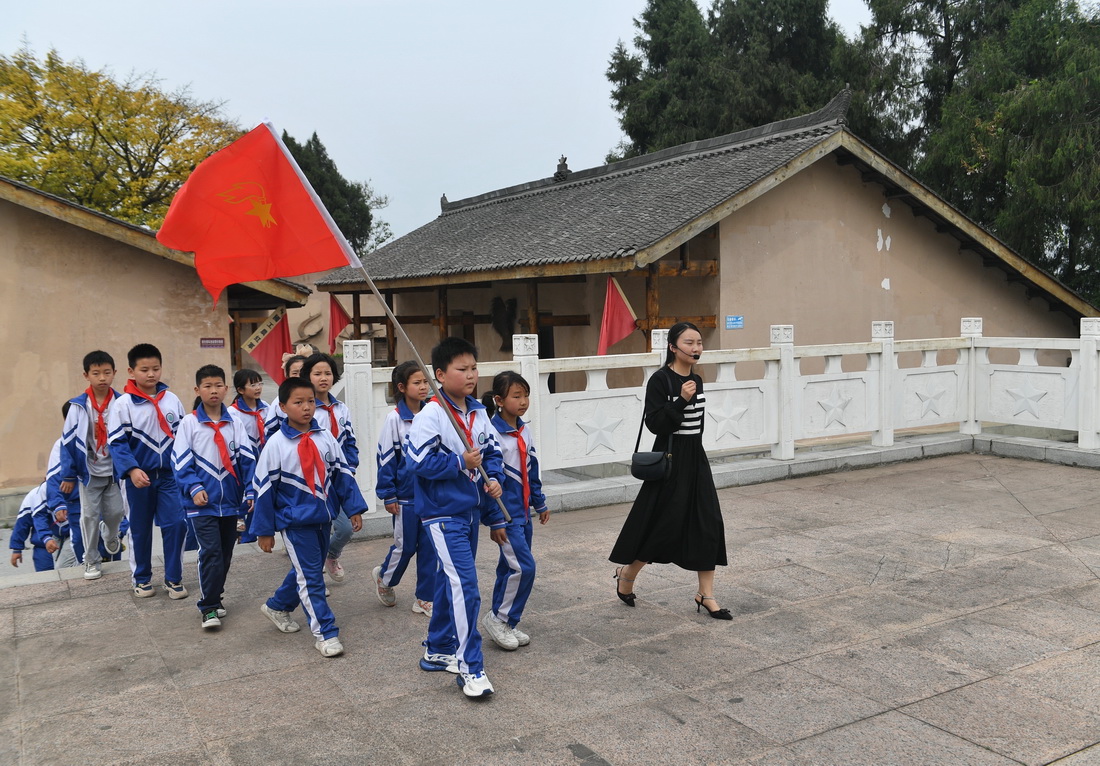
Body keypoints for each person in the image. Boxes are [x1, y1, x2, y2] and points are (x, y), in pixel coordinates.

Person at [406, 337, 506, 699]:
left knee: (452, 584)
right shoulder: (431, 413)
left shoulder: (478, 411)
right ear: (440, 375)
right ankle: (470, 667)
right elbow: (417, 463)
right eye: (461, 369)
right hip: (441, 514)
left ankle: (437, 649)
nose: (470, 375)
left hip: (470, 511)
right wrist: (459, 462)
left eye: (474, 368)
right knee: (466, 587)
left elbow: (492, 451)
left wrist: (492, 476)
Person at [609, 322, 730, 620]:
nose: (696, 348)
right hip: (670, 460)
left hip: (695, 459)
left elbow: (696, 427)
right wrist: (681, 400)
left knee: (708, 522)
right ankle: (627, 574)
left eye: (699, 343)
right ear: (673, 347)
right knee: (661, 524)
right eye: (689, 343)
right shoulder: (660, 380)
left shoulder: (697, 379)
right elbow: (657, 425)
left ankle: (706, 594)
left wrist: (688, 399)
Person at [252, 376, 366, 657]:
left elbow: (342, 474)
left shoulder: (325, 437)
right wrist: (264, 530)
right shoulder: (276, 445)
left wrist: (354, 508)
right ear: (283, 406)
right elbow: (264, 491)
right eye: (298, 402)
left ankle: (278, 606)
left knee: (309, 570)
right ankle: (325, 633)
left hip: (323, 517)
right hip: (294, 522)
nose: (306, 407)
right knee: (312, 579)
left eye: (310, 401)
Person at [173, 365, 256, 629]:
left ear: (226, 389)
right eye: (207, 386)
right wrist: (194, 488)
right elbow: (180, 463)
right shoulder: (189, 423)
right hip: (202, 504)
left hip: (230, 502)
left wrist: (252, 489)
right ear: (198, 390)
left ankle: (216, 598)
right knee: (210, 552)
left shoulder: (235, 423)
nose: (213, 391)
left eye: (218, 385)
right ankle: (207, 607)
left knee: (226, 553)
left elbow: (247, 459)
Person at [108, 343, 189, 599]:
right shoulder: (123, 405)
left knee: (176, 524)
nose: (151, 374)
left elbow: (184, 436)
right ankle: (141, 578)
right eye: (144, 369)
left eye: (156, 368)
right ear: (132, 371)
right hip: (137, 478)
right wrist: (131, 470)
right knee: (140, 528)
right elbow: (117, 443)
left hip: (169, 477)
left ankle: (173, 578)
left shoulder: (172, 400)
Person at [479, 371, 549, 651]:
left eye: (526, 395)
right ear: (499, 400)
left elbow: (531, 468)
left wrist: (539, 501)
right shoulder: (491, 434)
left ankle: (505, 621)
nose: (523, 402)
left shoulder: (524, 429)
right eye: (516, 396)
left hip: (523, 512)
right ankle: (499, 618)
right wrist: (496, 518)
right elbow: (488, 481)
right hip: (505, 515)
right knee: (524, 567)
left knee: (509, 567)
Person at [371, 361, 437, 617]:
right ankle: (385, 579)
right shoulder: (394, 419)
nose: (423, 387)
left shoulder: (432, 413)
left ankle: (424, 597)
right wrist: (388, 493)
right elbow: (386, 458)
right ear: (402, 387)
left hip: (430, 495)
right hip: (405, 496)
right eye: (417, 382)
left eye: (425, 382)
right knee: (405, 547)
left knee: (431, 547)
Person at [58, 351, 125, 580]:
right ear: (86, 375)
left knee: (116, 512)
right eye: (96, 373)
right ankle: (91, 560)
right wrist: (68, 475)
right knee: (88, 517)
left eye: (107, 372)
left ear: (114, 373)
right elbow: (66, 443)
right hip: (89, 473)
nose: (102, 378)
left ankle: (111, 534)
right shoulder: (78, 406)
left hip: (114, 471)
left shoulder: (121, 402)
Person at [300, 353, 358, 585]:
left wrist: (350, 467)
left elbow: (350, 440)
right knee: (316, 531)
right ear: (308, 376)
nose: (323, 378)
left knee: (345, 529)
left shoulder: (341, 408)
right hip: (312, 480)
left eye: (327, 373)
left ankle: (331, 556)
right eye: (317, 373)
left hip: (339, 479)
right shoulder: (305, 409)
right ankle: (313, 581)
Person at [230, 368, 268, 543]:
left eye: (259, 383)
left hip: (263, 461)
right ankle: (241, 535)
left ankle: (256, 533)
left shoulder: (266, 408)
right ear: (240, 390)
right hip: (242, 464)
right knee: (244, 498)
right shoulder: (232, 413)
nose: (258, 388)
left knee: (260, 497)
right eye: (253, 384)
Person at [9, 482, 55, 571]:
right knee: (46, 578)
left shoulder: (73, 488)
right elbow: (22, 524)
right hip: (42, 547)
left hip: (70, 542)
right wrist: (16, 548)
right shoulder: (33, 495)